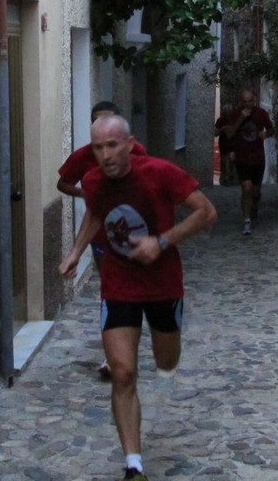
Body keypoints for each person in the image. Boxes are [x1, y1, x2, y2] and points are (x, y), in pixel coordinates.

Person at [59, 115, 217, 481]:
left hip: (163, 283)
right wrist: (76, 252)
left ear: (129, 144)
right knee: (123, 373)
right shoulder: (94, 180)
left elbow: (206, 212)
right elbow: (96, 212)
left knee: (166, 361)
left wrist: (161, 241)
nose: (104, 155)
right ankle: (134, 466)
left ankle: (168, 353)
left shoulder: (159, 172)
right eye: (98, 148)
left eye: (112, 146)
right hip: (119, 283)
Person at [57, 101, 147, 377]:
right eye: (97, 121)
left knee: (129, 290)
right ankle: (113, 356)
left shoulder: (136, 151)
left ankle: (125, 347)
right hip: (99, 234)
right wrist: (87, 195)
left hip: (131, 233)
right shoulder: (83, 156)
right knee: (111, 290)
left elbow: (147, 179)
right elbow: (62, 183)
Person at [223, 89, 274, 235]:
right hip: (242, 158)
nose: (248, 104)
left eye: (250, 101)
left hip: (258, 158)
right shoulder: (235, 114)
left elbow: (272, 130)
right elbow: (230, 133)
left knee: (255, 192)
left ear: (254, 100)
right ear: (241, 102)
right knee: (246, 188)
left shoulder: (261, 113)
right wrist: (240, 119)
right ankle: (247, 221)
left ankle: (255, 206)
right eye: (245, 102)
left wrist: (266, 134)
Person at [214, 104, 235, 185]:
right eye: (226, 112)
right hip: (223, 143)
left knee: (232, 159)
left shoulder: (234, 119)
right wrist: (222, 129)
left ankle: (231, 175)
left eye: (229, 112)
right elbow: (216, 133)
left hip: (232, 143)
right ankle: (224, 177)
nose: (228, 114)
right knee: (223, 160)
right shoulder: (220, 120)